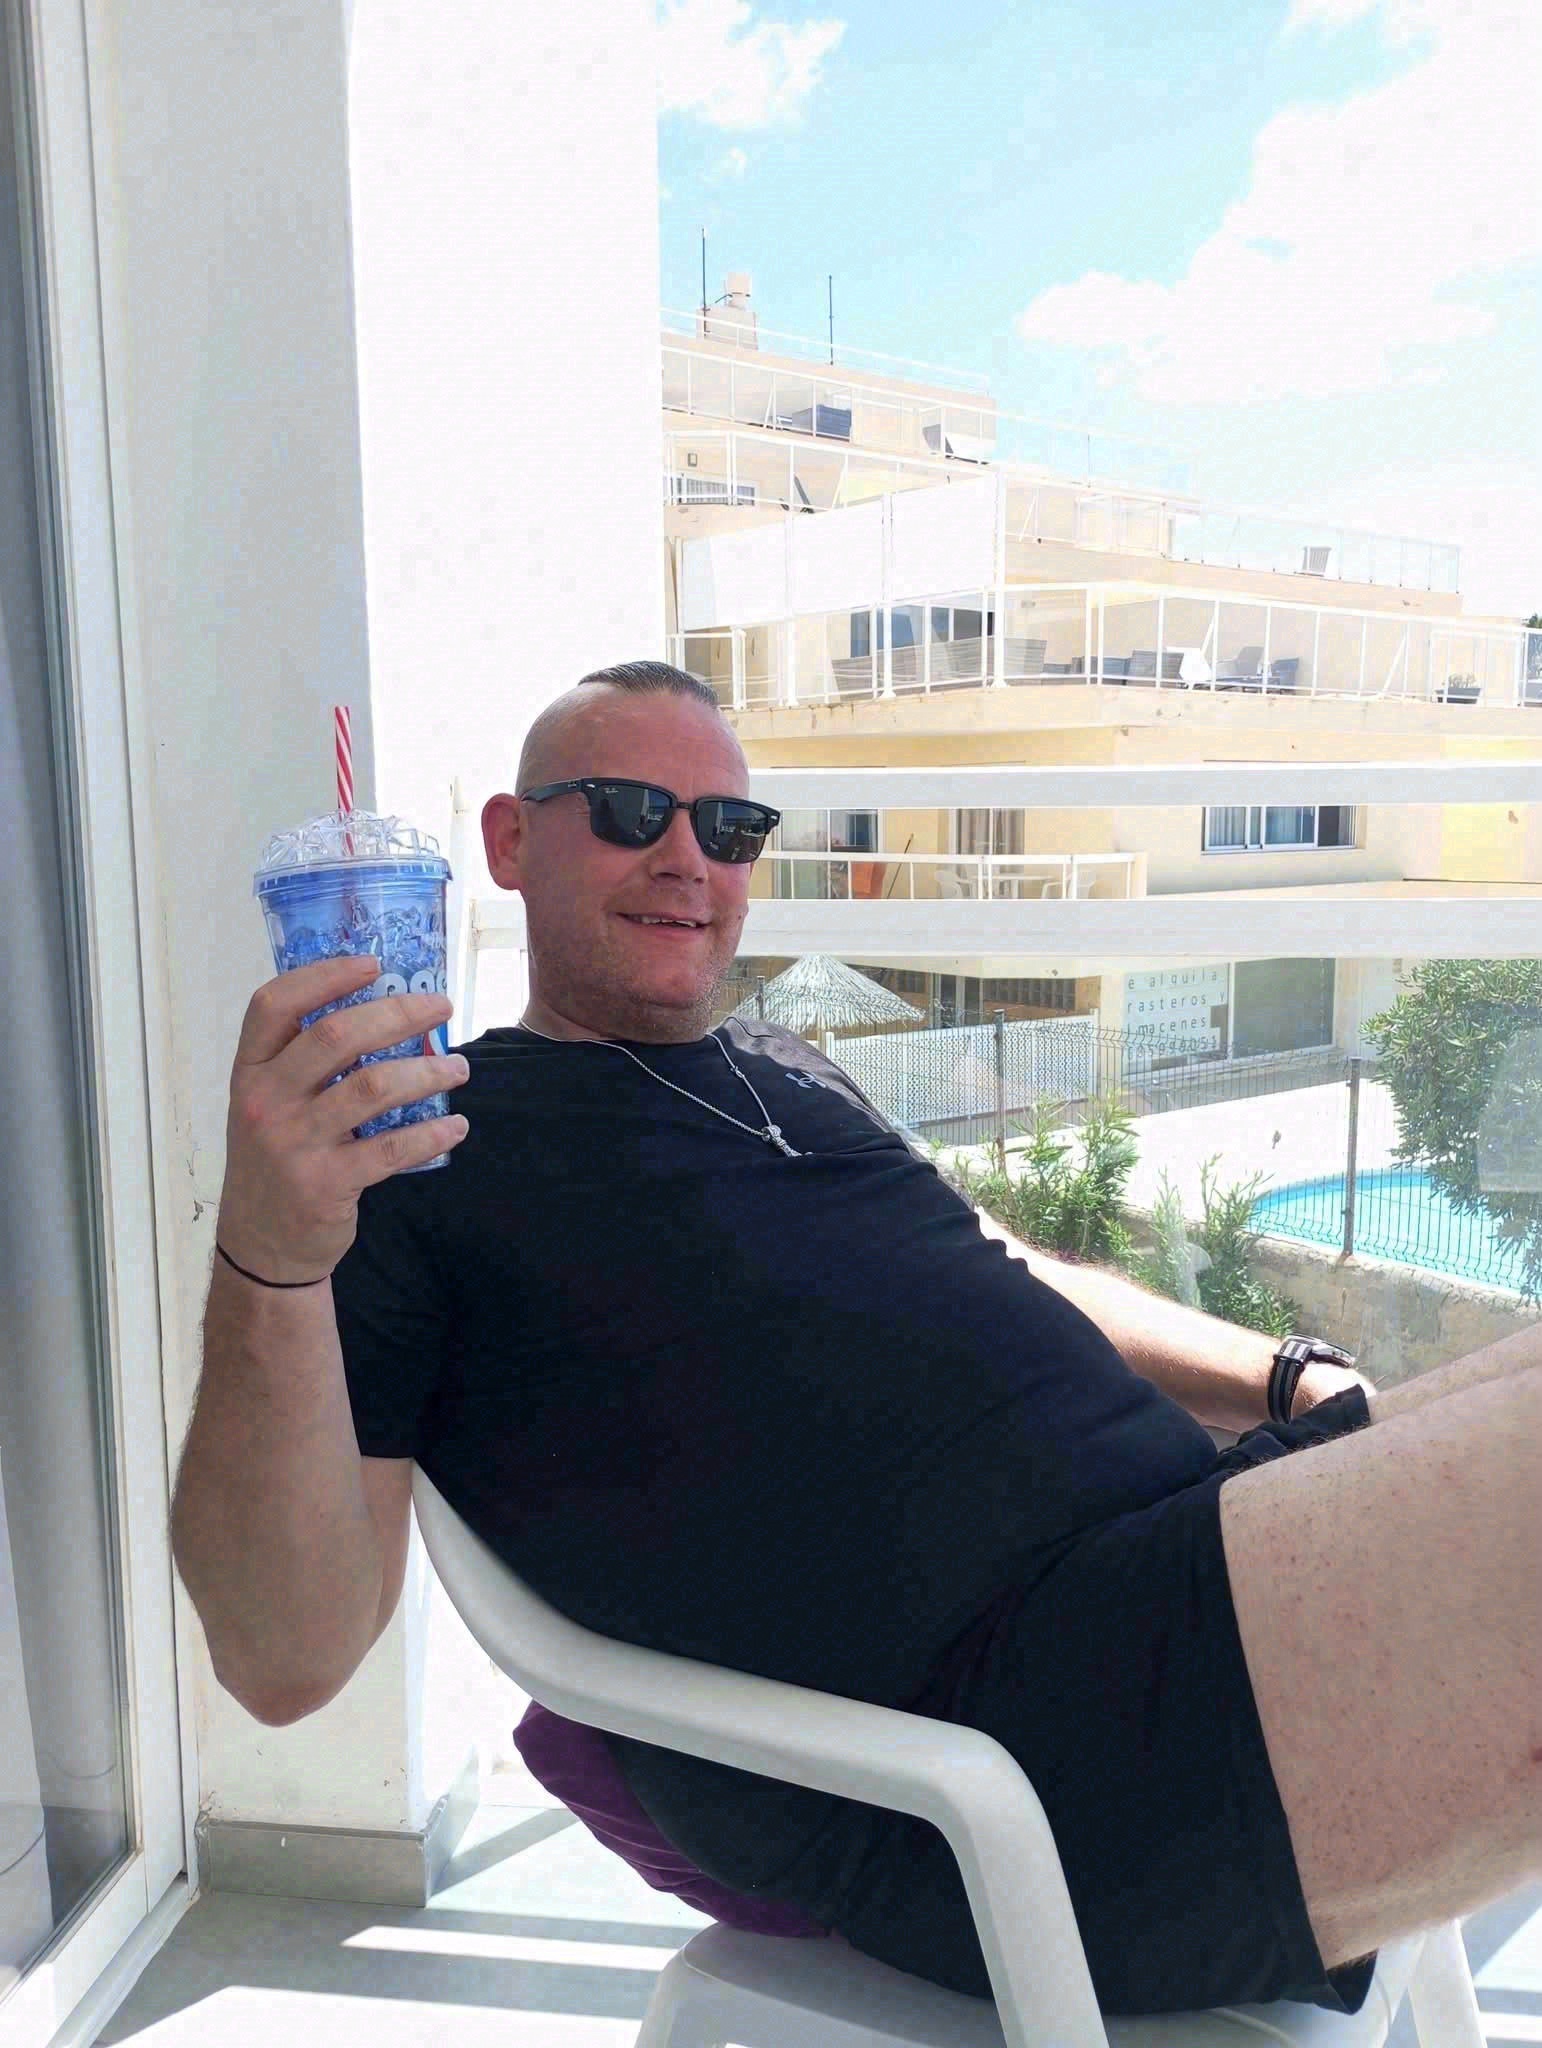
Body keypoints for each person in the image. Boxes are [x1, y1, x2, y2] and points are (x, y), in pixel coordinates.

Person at [172, 661, 1541, 2019]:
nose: (687, 859)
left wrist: (1285, 1376)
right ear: (509, 843)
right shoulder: (413, 1163)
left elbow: (1011, 1270)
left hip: (1198, 1540)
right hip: (1056, 1748)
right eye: (631, 810)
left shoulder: (789, 1067)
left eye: (729, 828)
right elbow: (282, 1660)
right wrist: (269, 1254)